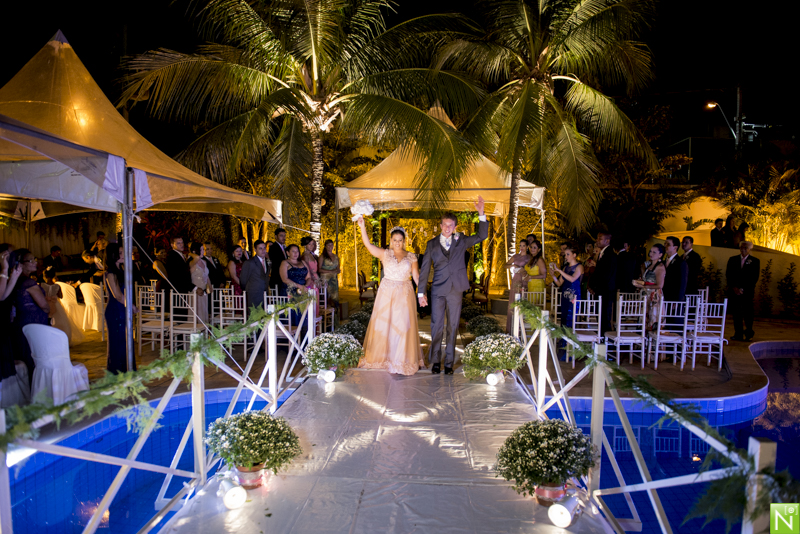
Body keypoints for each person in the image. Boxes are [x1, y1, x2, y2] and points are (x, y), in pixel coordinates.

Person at [418, 197, 488, 374]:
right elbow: (425, 270)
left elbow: (482, 235)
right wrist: (421, 293)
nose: (448, 228)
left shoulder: (461, 240)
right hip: (438, 290)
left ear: (455, 227)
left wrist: (481, 213)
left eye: (451, 225)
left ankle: (448, 362)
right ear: (440, 225)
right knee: (436, 325)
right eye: (445, 225)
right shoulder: (431, 244)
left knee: (452, 326)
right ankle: (435, 361)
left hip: (456, 289)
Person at [356, 218, 424, 375]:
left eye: (400, 240)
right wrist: (362, 227)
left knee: (402, 325)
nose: (398, 242)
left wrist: (422, 293)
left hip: (405, 293)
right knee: (384, 325)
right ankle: (383, 358)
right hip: (386, 293)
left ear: (404, 241)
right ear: (391, 240)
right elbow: (368, 245)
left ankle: (400, 360)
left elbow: (416, 277)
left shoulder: (411, 256)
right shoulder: (384, 254)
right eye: (395, 240)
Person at [12, 248, 51, 380]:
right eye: (31, 260)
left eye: (35, 259)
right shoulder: (28, 282)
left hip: (20, 322)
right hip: (34, 321)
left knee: (25, 353)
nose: (35, 262)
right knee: (34, 354)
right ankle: (38, 386)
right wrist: (47, 309)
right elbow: (44, 306)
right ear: (21, 264)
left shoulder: (14, 281)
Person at [104, 244, 137, 373]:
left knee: (126, 341)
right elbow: (117, 295)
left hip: (122, 308)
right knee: (118, 343)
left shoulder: (120, 270)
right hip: (116, 310)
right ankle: (117, 373)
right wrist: (131, 306)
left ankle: (127, 371)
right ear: (114, 255)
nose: (124, 255)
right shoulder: (110, 273)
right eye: (121, 253)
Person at [41, 268, 85, 346]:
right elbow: (61, 296)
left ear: (44, 276)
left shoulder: (41, 285)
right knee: (61, 322)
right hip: (56, 304)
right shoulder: (57, 286)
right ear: (54, 276)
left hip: (45, 304)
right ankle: (63, 338)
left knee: (47, 320)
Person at [0, 246, 24, 391]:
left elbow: (4, 296)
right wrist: (4, 271)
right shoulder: (2, 272)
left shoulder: (4, 273)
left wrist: (13, 276)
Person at [726, 241, 760, 341]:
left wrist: (743, 289)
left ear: (750, 249)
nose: (743, 250)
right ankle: (738, 333)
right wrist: (734, 287)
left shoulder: (755, 261)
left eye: (745, 248)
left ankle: (749, 333)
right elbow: (729, 275)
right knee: (737, 314)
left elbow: (754, 277)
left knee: (748, 313)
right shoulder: (733, 260)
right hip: (735, 291)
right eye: (741, 248)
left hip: (747, 292)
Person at [587, 232, 617, 336]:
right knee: (600, 315)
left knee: (604, 316)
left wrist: (595, 286)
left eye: (600, 238)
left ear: (607, 241)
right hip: (600, 290)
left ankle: (604, 338)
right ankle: (601, 335)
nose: (597, 240)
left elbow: (605, 275)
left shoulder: (610, 255)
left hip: (605, 291)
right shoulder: (602, 253)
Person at [633, 244, 666, 331]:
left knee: (652, 321)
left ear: (660, 254)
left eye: (654, 252)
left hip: (653, 296)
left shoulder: (660, 267)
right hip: (646, 295)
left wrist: (643, 286)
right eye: (651, 251)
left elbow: (660, 285)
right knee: (644, 320)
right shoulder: (649, 265)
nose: (651, 253)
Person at [550, 245, 583, 330]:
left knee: (570, 318)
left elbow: (572, 279)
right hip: (565, 295)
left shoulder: (579, 266)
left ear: (574, 255)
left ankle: (569, 341)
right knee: (563, 318)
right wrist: (553, 276)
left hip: (574, 296)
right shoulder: (566, 268)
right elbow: (559, 283)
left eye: (568, 254)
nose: (566, 257)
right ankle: (563, 341)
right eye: (565, 254)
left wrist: (559, 270)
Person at [505, 240, 531, 333]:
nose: (521, 247)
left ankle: (521, 329)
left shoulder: (529, 257)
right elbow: (505, 265)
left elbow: (531, 269)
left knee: (523, 300)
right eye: (520, 245)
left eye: (523, 245)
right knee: (513, 300)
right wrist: (512, 265)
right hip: (516, 279)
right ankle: (510, 328)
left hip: (524, 279)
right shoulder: (515, 256)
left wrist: (524, 270)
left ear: (527, 246)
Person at [240, 240, 270, 312]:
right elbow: (243, 280)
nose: (263, 250)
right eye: (260, 248)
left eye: (264, 248)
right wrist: (249, 290)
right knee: (254, 318)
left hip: (265, 294)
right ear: (255, 250)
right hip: (253, 295)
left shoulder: (267, 261)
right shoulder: (249, 262)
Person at [188, 242, 212, 323]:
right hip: (195, 292)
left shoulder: (204, 262)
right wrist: (191, 253)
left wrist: (210, 285)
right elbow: (196, 258)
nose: (203, 252)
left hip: (204, 292)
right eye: (201, 250)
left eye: (203, 250)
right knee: (196, 315)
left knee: (204, 313)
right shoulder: (192, 262)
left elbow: (207, 275)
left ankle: (204, 333)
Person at [662, 236, 688, 303]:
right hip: (663, 297)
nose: (665, 246)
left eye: (668, 244)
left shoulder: (680, 262)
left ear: (675, 247)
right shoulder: (662, 262)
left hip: (674, 299)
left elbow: (682, 283)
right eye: (665, 243)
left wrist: (678, 301)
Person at [318, 239, 341, 305]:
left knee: (334, 295)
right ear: (325, 246)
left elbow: (338, 268)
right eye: (328, 245)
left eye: (331, 245)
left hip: (334, 279)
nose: (330, 246)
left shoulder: (336, 256)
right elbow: (319, 269)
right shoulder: (322, 257)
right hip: (325, 280)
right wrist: (331, 271)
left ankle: (335, 311)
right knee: (325, 295)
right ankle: (325, 311)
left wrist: (337, 270)